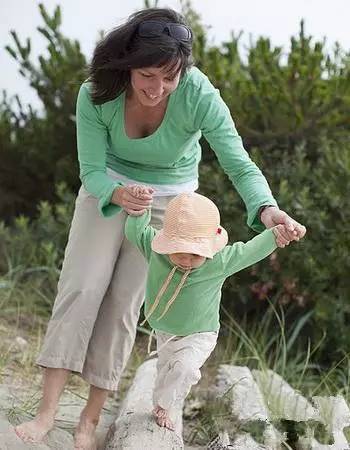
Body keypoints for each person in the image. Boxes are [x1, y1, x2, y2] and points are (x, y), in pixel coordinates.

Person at [14, 6, 306, 449]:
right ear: (129, 64)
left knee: (124, 304)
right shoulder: (96, 92)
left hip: (170, 203)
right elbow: (91, 171)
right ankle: (46, 413)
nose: (158, 88)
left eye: (170, 77)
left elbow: (237, 161)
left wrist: (267, 211)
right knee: (82, 288)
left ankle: (88, 422)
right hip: (107, 188)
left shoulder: (200, 93)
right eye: (148, 75)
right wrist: (116, 194)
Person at [124, 189, 304, 430]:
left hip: (200, 332)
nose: (187, 259)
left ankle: (166, 406)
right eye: (180, 252)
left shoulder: (218, 261)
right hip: (165, 330)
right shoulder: (156, 251)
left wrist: (276, 234)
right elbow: (135, 231)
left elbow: (250, 250)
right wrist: (139, 209)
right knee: (166, 370)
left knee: (185, 369)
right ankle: (160, 403)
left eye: (195, 254)